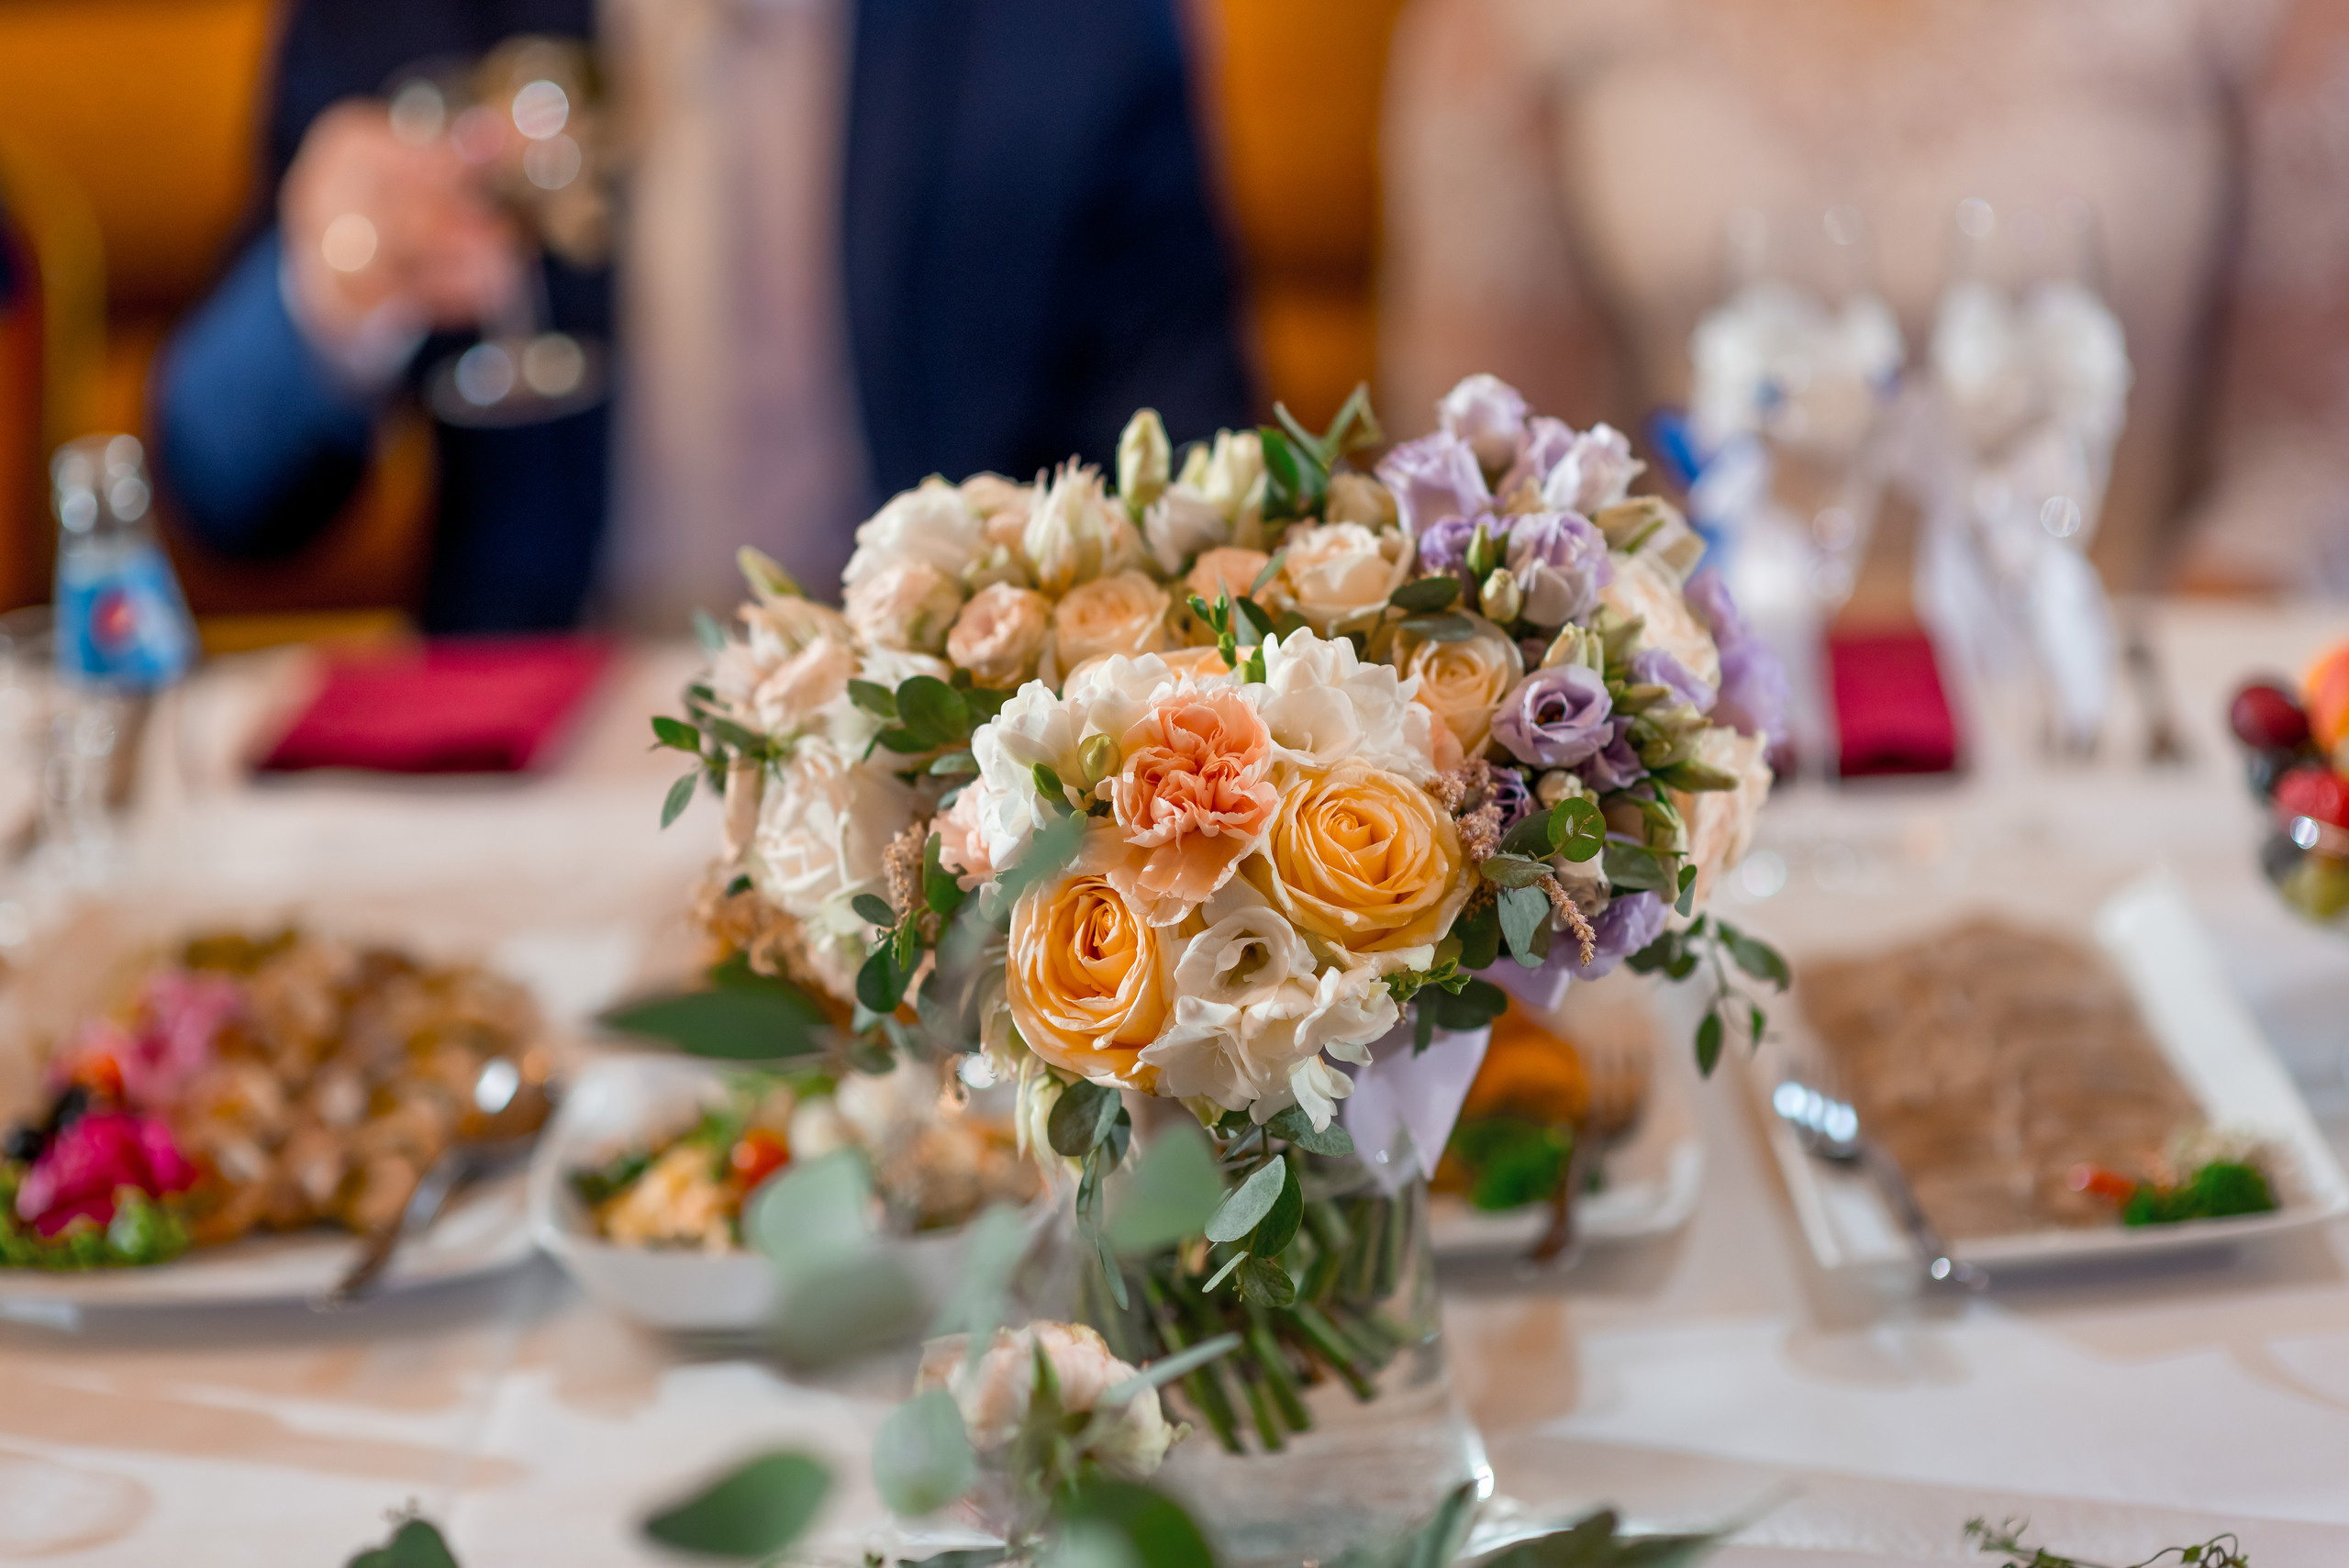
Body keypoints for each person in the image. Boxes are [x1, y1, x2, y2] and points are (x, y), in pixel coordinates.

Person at [158, 0, 1252, 633]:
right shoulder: (416, 14)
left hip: (939, 739)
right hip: (542, 730)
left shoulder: (1076, 29)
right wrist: (328, 290)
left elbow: (1195, 475)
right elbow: (223, 486)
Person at [1377, 0, 2349, 594]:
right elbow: (1482, 459)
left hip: (2104, 686)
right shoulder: (1519, 22)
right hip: (1711, 717)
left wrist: (2159, 678)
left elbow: (2310, 447)